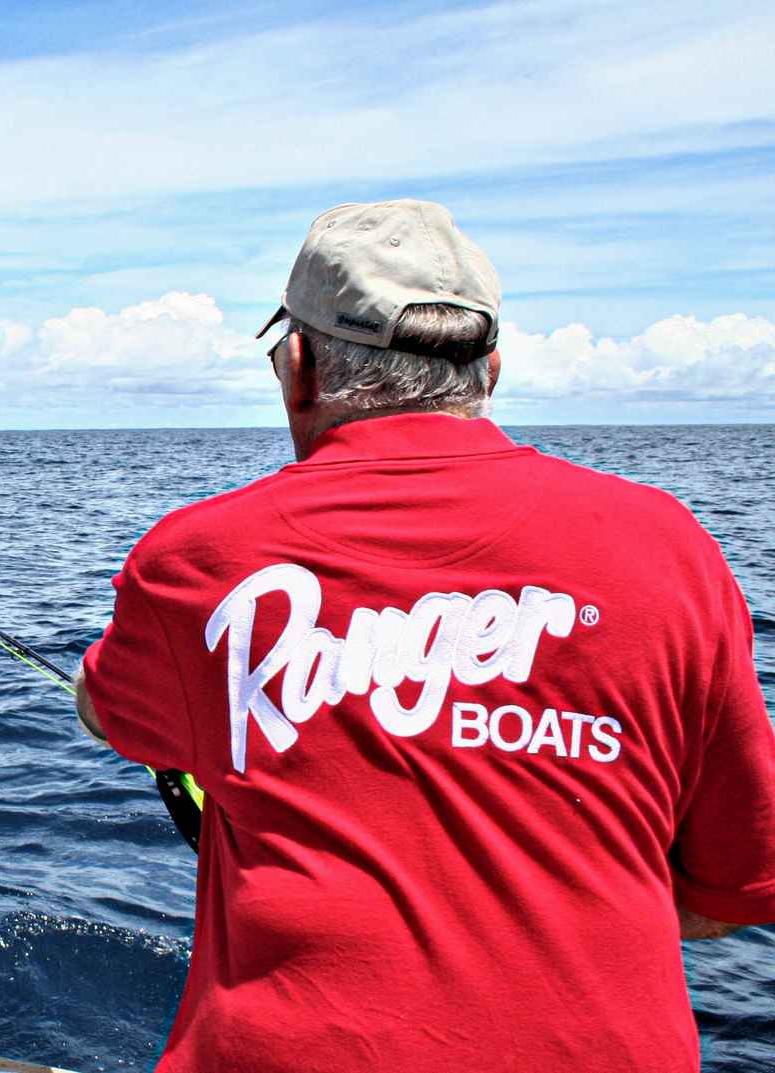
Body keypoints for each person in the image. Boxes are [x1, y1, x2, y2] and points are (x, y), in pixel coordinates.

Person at [74, 199, 775, 1071]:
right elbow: (731, 890)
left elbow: (111, 715)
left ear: (297, 366)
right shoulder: (672, 547)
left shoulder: (198, 560)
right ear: (492, 371)